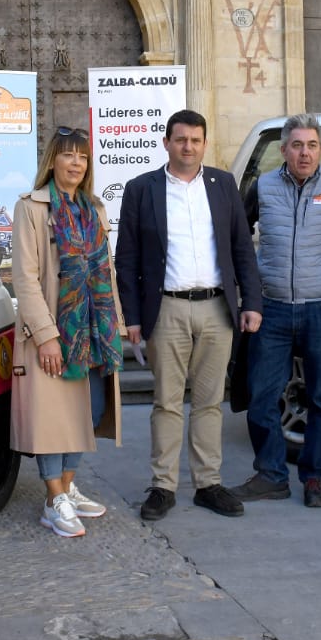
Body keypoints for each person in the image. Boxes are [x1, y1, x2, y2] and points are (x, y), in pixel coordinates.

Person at [115, 109, 263, 522]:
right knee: (166, 402)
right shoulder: (141, 189)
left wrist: (251, 302)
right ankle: (163, 486)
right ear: (166, 142)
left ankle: (207, 483)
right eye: (181, 139)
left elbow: (241, 249)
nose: (188, 147)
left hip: (218, 307)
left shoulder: (222, 185)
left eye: (196, 140)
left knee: (210, 402)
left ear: (204, 143)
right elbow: (125, 259)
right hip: (167, 309)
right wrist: (132, 318)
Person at [228, 113, 321, 508]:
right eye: (296, 145)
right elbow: (238, 236)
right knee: (261, 396)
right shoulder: (263, 186)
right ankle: (271, 474)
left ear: (320, 149)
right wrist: (247, 288)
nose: (304, 153)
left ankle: (314, 477)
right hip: (271, 309)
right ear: (283, 149)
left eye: (312, 145)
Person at [11, 126, 124, 538]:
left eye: (83, 156)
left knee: (87, 411)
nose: (76, 163)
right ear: (53, 161)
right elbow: (24, 278)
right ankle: (53, 498)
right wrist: (46, 336)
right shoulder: (32, 208)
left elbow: (106, 272)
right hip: (55, 330)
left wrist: (116, 326)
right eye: (68, 155)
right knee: (50, 418)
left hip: (94, 329)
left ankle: (68, 487)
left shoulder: (94, 207)